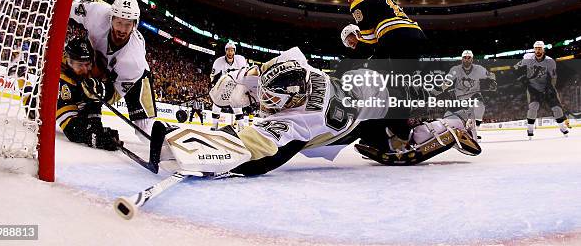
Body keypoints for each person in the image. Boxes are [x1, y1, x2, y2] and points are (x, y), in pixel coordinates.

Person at [159, 47, 480, 176]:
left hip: (370, 113)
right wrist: (245, 78)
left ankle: (445, 123)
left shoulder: (296, 121)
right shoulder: (299, 70)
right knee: (400, 122)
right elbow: (274, 69)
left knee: (410, 135)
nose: (266, 104)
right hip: (371, 88)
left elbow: (258, 154)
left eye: (270, 102)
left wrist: (200, 154)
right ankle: (443, 118)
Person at [68, 0, 156, 140]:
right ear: (111, 18)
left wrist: (99, 91)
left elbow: (115, 94)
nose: (122, 29)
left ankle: (169, 135)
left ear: (135, 24)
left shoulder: (134, 61)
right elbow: (65, 7)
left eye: (128, 24)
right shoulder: (96, 13)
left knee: (145, 131)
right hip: (95, 62)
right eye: (119, 22)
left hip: (136, 78)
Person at [56, 37, 120, 151]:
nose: (85, 70)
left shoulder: (92, 68)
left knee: (92, 91)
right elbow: (71, 129)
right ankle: (22, 78)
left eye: (87, 64)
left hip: (76, 96)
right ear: (69, 61)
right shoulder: (62, 79)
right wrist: (93, 138)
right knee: (33, 113)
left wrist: (96, 128)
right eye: (80, 65)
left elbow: (95, 101)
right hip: (47, 100)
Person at [342, 0, 427, 58]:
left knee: (396, 70)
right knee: (412, 70)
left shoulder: (358, 0)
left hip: (393, 33)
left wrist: (360, 37)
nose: (349, 0)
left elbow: (369, 35)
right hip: (416, 32)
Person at [514, 41, 569, 138]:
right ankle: (530, 129)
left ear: (543, 49)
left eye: (540, 48)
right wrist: (521, 78)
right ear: (534, 49)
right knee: (533, 107)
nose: (538, 50)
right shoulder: (527, 58)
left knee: (556, 108)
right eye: (536, 48)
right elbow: (515, 67)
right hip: (533, 87)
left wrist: (551, 88)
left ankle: (562, 127)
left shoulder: (550, 61)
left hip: (546, 86)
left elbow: (553, 77)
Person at [442, 50, 497, 140]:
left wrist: (492, 82)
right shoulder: (455, 69)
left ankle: (475, 131)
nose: (467, 59)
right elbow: (446, 81)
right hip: (460, 97)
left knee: (480, 107)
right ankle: (466, 131)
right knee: (453, 117)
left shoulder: (479, 69)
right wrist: (444, 87)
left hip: (474, 94)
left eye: (469, 58)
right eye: (465, 58)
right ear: (462, 59)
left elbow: (491, 75)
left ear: (472, 59)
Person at [210, 42, 248, 130]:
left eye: (232, 50)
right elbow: (212, 75)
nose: (230, 52)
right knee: (216, 104)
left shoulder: (240, 59)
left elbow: (246, 73)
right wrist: (214, 86)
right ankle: (214, 126)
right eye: (228, 50)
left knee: (238, 108)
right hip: (225, 85)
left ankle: (241, 128)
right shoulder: (219, 61)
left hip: (237, 85)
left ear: (234, 51)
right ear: (225, 51)